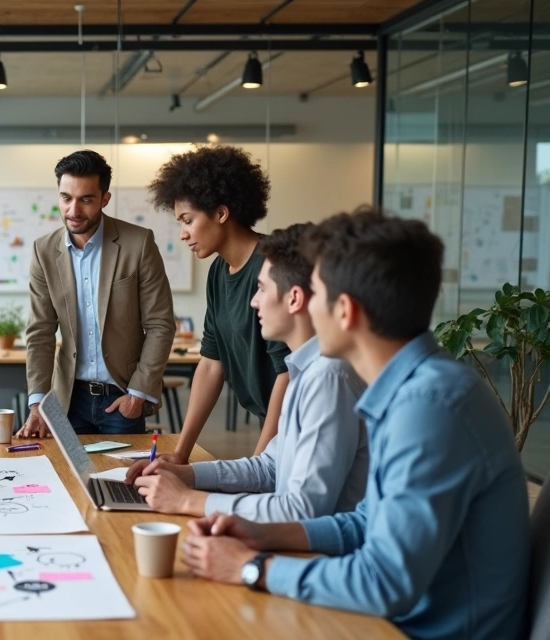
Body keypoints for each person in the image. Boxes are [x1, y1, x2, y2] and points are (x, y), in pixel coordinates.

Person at [180, 208, 529, 640]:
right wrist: (262, 532)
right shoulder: (407, 388)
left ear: (344, 310)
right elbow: (364, 523)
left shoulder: (429, 407)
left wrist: (253, 567)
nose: (305, 301)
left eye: (317, 291)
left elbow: (385, 582)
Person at [124, 223, 368, 522]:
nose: (253, 301)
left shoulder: (327, 378)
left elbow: (302, 510)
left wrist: (188, 501)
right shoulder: (305, 369)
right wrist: (185, 475)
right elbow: (267, 467)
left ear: (293, 299)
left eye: (262, 289)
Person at [147, 145, 290, 461]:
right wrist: (181, 451)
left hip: (298, 422)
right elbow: (212, 362)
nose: (183, 234)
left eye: (188, 220)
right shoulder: (218, 272)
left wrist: (259, 463)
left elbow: (288, 374)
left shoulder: (270, 266)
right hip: (273, 418)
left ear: (221, 213)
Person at [18, 150, 175, 437]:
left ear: (105, 199)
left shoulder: (138, 244)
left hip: (121, 398)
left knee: (121, 481)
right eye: (66, 198)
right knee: (70, 480)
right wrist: (38, 402)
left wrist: (137, 394)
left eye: (86, 199)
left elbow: (160, 324)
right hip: (68, 400)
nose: (73, 210)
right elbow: (40, 331)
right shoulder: (43, 251)